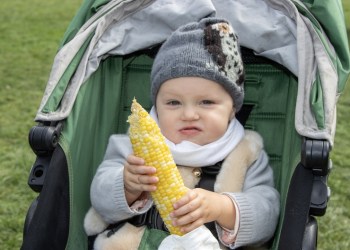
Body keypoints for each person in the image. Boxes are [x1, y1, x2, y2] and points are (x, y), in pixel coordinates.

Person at [87, 17, 280, 249]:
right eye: (174, 103)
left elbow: (267, 214)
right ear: (156, 106)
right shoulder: (131, 148)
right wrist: (127, 187)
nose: (189, 114)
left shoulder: (245, 153)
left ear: (232, 110)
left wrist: (222, 208)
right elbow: (99, 198)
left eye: (206, 102)